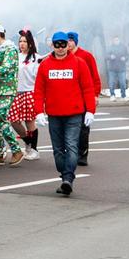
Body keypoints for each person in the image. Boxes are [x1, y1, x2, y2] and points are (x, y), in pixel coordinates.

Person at [33, 32, 98, 196]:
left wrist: (90, 110)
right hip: (54, 114)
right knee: (57, 150)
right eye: (57, 44)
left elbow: (88, 88)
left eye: (63, 44)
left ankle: (67, 178)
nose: (61, 48)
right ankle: (65, 177)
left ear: (68, 45)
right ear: (52, 45)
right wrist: (39, 112)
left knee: (71, 145)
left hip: (74, 114)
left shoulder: (79, 63)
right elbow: (39, 91)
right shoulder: (45, 65)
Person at [0, 24, 24, 165]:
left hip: (6, 90)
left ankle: (16, 150)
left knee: (1, 120)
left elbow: (6, 67)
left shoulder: (10, 48)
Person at [67, 32, 100, 166]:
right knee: (69, 127)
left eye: (70, 40)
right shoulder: (64, 56)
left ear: (75, 41)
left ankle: (82, 154)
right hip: (70, 97)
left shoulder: (86, 56)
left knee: (83, 128)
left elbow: (95, 76)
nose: (68, 43)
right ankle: (70, 153)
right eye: (66, 40)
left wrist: (95, 94)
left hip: (85, 96)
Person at [12, 29, 43, 160]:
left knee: (29, 122)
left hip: (30, 92)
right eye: (20, 41)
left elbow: (39, 77)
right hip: (16, 92)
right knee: (14, 121)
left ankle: (34, 150)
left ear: (30, 43)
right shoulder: (15, 56)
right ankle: (28, 142)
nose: (22, 44)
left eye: (25, 41)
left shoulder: (37, 58)